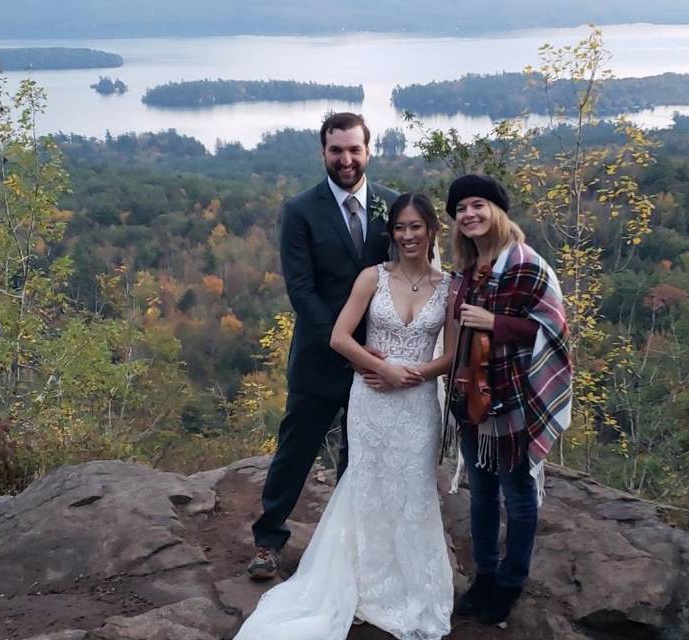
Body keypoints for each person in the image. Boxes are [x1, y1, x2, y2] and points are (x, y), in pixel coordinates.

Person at [234, 193, 455, 640]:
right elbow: (338, 336)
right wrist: (381, 368)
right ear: (390, 233)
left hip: (418, 404)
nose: (408, 235)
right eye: (400, 228)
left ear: (432, 229)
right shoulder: (372, 277)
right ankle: (360, 575)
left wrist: (413, 374)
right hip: (371, 397)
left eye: (416, 227)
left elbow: (451, 355)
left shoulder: (450, 286)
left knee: (413, 488)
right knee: (366, 481)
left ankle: (413, 581)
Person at [248, 112, 398, 579]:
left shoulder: (392, 208)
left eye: (355, 150)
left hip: (376, 360)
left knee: (360, 458)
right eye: (337, 150)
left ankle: (348, 546)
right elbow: (302, 290)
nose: (346, 160)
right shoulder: (300, 210)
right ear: (323, 153)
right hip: (319, 357)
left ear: (369, 151)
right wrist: (343, 344)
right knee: (296, 452)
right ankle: (268, 540)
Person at [445, 174, 572, 626]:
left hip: (516, 399)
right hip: (473, 397)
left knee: (518, 494)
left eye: (477, 204)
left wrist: (493, 322)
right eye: (460, 209)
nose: (469, 214)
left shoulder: (525, 264)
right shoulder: (466, 270)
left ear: (497, 210)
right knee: (481, 493)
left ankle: (510, 583)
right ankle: (485, 575)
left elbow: (553, 330)